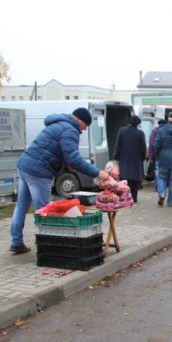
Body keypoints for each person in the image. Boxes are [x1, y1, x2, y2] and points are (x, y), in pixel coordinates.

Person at [9, 107, 109, 254]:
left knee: (21, 207)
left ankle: (16, 242)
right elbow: (73, 158)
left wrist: (65, 165)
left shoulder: (58, 124)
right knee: (44, 211)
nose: (86, 129)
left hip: (25, 165)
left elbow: (56, 150)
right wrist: (97, 173)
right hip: (39, 172)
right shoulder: (70, 130)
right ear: (80, 120)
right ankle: (48, 248)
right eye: (86, 125)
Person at [113, 115, 147, 203]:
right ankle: (134, 199)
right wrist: (143, 158)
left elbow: (118, 145)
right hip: (136, 160)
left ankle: (124, 198)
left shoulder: (122, 131)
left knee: (124, 180)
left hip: (124, 159)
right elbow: (143, 148)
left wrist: (115, 157)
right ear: (138, 123)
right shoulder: (140, 133)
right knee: (135, 182)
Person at [147, 118, 165, 191]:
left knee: (157, 170)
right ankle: (163, 186)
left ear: (158, 124)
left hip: (157, 155)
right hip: (165, 155)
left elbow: (151, 143)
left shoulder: (155, 131)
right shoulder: (167, 131)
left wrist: (151, 155)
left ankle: (158, 186)